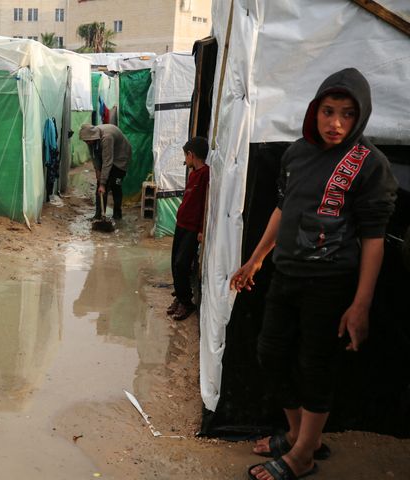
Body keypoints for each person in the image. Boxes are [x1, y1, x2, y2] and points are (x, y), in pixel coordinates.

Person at [230, 68, 396, 480]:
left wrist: (361, 305)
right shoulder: (298, 153)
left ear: (361, 117)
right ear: (314, 111)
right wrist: (255, 259)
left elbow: (374, 239)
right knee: (271, 353)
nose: (336, 123)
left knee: (315, 365)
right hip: (287, 274)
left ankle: (302, 456)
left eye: (346, 114)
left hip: (330, 283)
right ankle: (301, 435)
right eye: (327, 111)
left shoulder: (368, 164)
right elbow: (283, 210)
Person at [167, 137, 209, 321]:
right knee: (174, 262)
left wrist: (201, 229)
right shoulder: (193, 174)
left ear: (191, 155)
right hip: (182, 224)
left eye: (186, 156)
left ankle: (187, 302)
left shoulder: (206, 175)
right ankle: (180, 296)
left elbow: (206, 205)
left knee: (182, 264)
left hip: (192, 228)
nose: (185, 160)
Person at [79, 124, 132, 220]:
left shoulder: (107, 138)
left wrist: (103, 183)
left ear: (93, 136)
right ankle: (99, 215)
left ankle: (117, 215)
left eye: (88, 141)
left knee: (115, 185)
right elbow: (94, 156)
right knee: (100, 187)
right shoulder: (91, 140)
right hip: (109, 155)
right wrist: (97, 170)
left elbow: (107, 161)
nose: (87, 143)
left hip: (121, 157)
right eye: (85, 141)